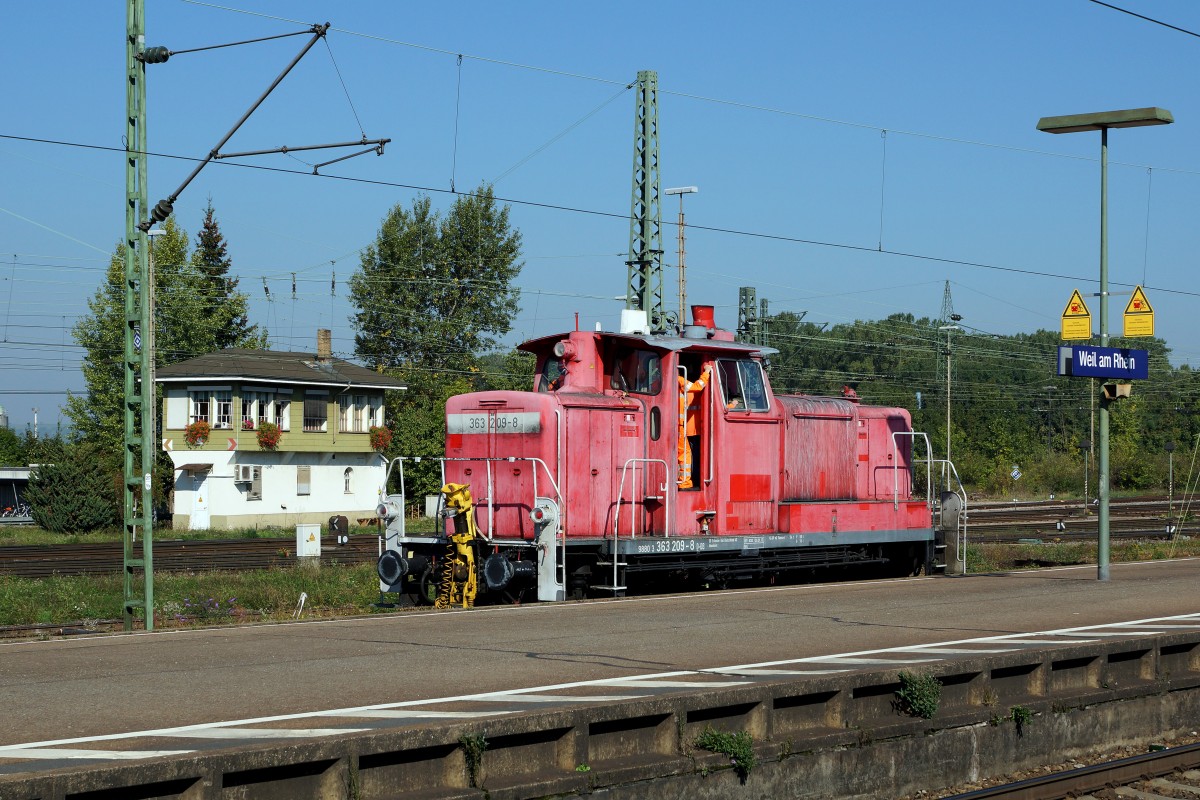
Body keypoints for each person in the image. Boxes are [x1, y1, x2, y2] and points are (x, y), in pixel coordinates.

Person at [677, 365, 711, 488]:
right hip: (679, 425)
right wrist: (707, 372)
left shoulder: (657, 382)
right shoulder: (679, 380)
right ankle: (684, 482)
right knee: (684, 454)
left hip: (673, 424)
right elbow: (698, 386)